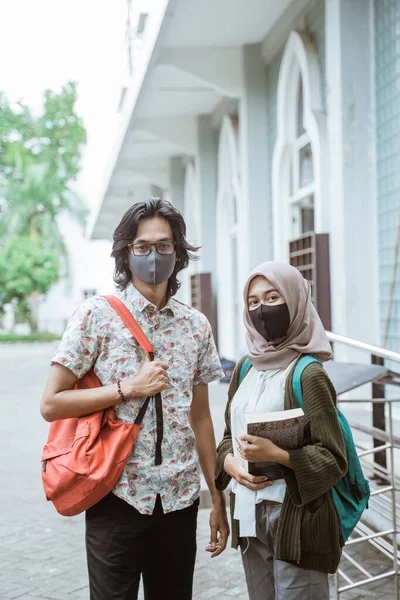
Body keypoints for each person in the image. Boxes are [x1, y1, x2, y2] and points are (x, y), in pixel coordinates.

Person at [41, 198, 229, 600]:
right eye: (141, 246)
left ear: (178, 253)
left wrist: (217, 497)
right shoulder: (96, 316)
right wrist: (128, 389)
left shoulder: (196, 326)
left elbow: (201, 418)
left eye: (164, 246)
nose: (153, 255)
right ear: (126, 254)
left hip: (180, 499)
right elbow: (51, 403)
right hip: (116, 493)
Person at [215, 261, 347, 600]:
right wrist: (229, 463)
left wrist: (279, 455)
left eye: (273, 298)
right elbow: (229, 436)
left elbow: (334, 458)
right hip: (247, 512)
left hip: (296, 517)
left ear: (295, 300)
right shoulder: (245, 366)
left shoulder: (308, 373)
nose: (262, 310)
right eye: (253, 302)